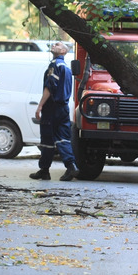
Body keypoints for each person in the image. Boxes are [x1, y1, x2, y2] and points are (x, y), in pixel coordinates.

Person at [30, 42, 80, 181]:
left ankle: (45, 170)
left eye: (58, 44)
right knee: (63, 138)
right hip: (63, 108)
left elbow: (50, 86)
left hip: (51, 107)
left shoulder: (54, 65)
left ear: (63, 50)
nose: (54, 45)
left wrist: (40, 106)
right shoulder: (66, 68)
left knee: (47, 139)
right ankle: (71, 166)